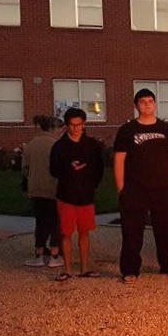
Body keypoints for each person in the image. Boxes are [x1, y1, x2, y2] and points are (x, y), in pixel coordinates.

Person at [113, 88, 168, 283]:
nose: (147, 104)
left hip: (164, 189)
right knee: (132, 230)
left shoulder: (165, 129)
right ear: (136, 106)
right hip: (135, 190)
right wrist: (121, 188)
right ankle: (130, 269)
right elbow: (119, 160)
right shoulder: (127, 131)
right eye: (143, 101)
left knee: (165, 229)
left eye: (150, 101)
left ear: (155, 104)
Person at [49, 107, 104, 282]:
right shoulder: (59, 147)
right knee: (66, 232)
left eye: (79, 124)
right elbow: (53, 170)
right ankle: (67, 269)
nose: (75, 128)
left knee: (84, 232)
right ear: (67, 125)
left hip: (86, 196)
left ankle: (85, 267)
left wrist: (91, 184)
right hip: (66, 196)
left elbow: (99, 169)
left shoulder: (92, 145)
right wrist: (69, 168)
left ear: (84, 124)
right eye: (72, 125)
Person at [21, 115, 64, 269]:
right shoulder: (56, 145)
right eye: (60, 129)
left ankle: (39, 254)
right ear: (53, 128)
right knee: (56, 223)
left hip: (36, 190)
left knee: (41, 223)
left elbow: (25, 168)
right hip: (54, 190)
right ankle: (54, 255)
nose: (61, 132)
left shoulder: (31, 144)